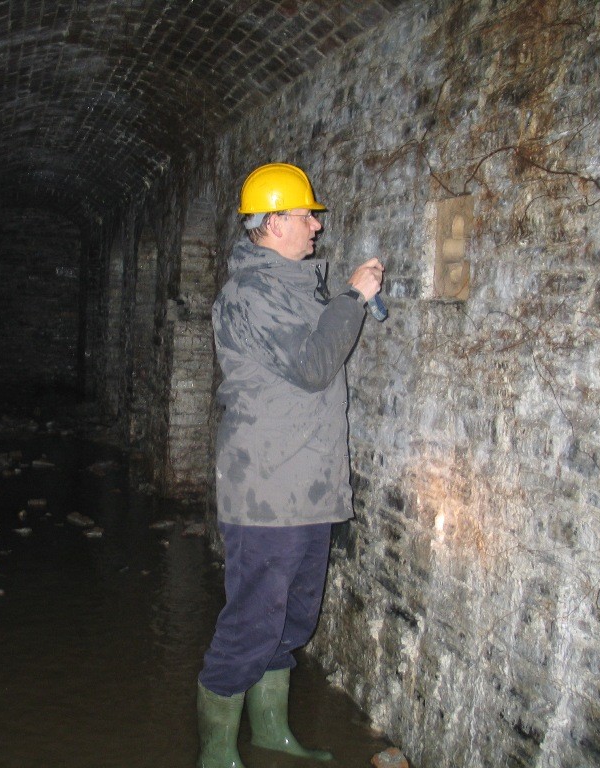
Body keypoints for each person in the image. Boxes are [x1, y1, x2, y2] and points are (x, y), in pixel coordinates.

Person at [197, 162, 384, 768]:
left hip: (309, 483)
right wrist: (354, 297)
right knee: (253, 620)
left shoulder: (296, 287)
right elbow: (312, 366)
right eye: (307, 215)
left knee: (292, 618)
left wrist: (343, 299)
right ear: (274, 223)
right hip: (267, 486)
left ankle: (270, 730)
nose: (315, 226)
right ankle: (216, 751)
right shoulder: (250, 295)